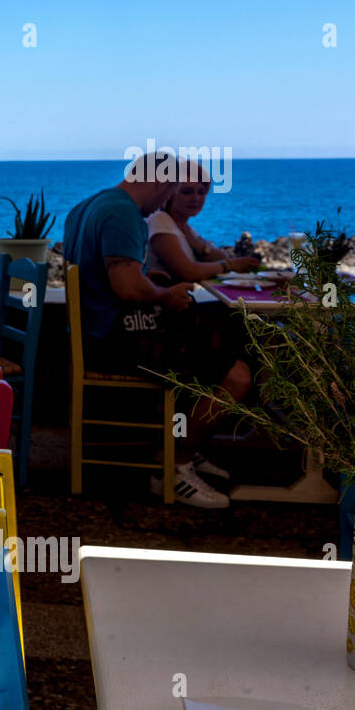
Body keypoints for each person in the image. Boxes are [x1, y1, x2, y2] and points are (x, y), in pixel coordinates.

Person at [64, 154, 252, 508]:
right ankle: (174, 465)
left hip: (97, 333)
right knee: (238, 376)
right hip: (121, 341)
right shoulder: (125, 215)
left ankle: (184, 445)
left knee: (223, 334)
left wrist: (146, 278)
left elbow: (110, 275)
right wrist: (165, 294)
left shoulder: (86, 206)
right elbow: (126, 288)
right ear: (159, 182)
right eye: (169, 189)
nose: (164, 201)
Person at [147, 176, 261, 282]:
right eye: (187, 192)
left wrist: (200, 246)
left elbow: (222, 257)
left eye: (201, 192)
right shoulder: (159, 220)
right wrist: (229, 265)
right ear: (170, 194)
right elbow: (187, 272)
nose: (195, 198)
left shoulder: (184, 227)